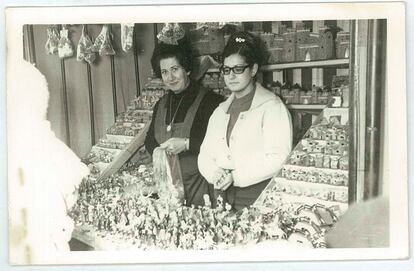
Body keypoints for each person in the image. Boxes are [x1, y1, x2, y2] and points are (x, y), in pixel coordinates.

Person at [198, 31, 293, 211]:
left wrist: (236, 175)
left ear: (254, 69)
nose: (231, 76)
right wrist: (214, 173)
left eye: (238, 69)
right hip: (221, 199)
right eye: (226, 70)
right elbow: (204, 154)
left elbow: (279, 158)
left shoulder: (272, 107)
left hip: (257, 200)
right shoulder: (219, 111)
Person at [144, 40, 224, 207]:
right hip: (167, 187)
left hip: (199, 186)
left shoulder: (210, 101)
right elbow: (149, 140)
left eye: (175, 69)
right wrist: (159, 152)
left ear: (187, 68)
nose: (170, 77)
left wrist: (187, 144)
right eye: (164, 72)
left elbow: (220, 144)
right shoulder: (161, 104)